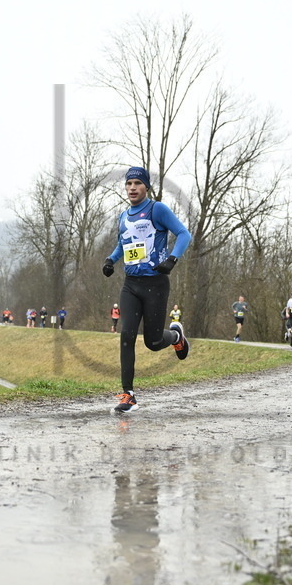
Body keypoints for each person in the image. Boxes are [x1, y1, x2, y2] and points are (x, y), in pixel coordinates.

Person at [101, 166, 192, 413]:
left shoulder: (157, 209)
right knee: (127, 335)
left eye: (137, 183)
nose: (132, 188)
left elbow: (184, 234)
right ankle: (128, 395)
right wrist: (111, 260)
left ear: (146, 187)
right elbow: (122, 244)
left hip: (155, 284)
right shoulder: (123, 216)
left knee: (153, 341)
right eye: (128, 183)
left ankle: (176, 337)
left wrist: (172, 259)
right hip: (131, 285)